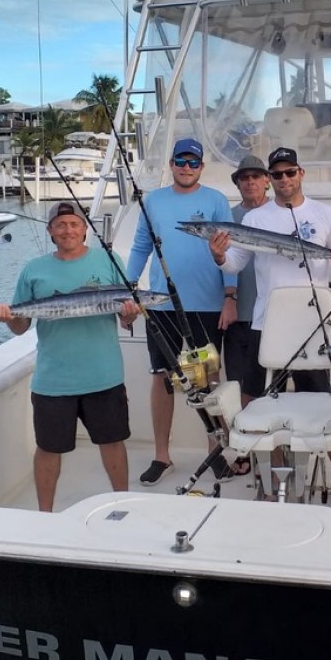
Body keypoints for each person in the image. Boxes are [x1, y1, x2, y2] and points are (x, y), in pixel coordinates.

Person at [208, 146, 331, 516]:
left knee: (329, 408)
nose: (284, 179)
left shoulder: (325, 213)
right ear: (270, 179)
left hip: (314, 327)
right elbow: (235, 261)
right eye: (276, 174)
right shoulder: (256, 218)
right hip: (267, 325)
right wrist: (217, 255)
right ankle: (271, 482)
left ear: (301, 173)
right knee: (263, 406)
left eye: (289, 172)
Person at [0, 201, 138, 510]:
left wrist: (131, 315)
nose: (68, 230)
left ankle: (124, 504)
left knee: (112, 443)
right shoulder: (34, 269)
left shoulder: (108, 260)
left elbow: (125, 318)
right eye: (61, 225)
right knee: (48, 449)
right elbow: (20, 327)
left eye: (74, 224)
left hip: (102, 375)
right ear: (50, 231)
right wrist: (5, 314)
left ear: (84, 229)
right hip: (53, 379)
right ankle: (45, 514)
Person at [126, 138, 237, 486]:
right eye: (181, 161)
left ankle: (214, 452)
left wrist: (230, 295)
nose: (186, 168)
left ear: (201, 167)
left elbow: (228, 249)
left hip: (206, 304)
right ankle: (162, 455)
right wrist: (128, 289)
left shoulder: (216, 201)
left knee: (208, 378)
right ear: (172, 164)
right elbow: (141, 246)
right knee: (162, 378)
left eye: (193, 163)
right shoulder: (153, 201)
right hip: (160, 305)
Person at [224, 155, 272, 409]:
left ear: (267, 181)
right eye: (244, 177)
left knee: (275, 384)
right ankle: (246, 446)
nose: (250, 182)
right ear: (237, 183)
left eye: (256, 176)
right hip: (239, 315)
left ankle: (275, 445)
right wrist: (228, 299)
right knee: (240, 384)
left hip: (273, 317)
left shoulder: (280, 214)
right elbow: (220, 264)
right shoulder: (227, 216)